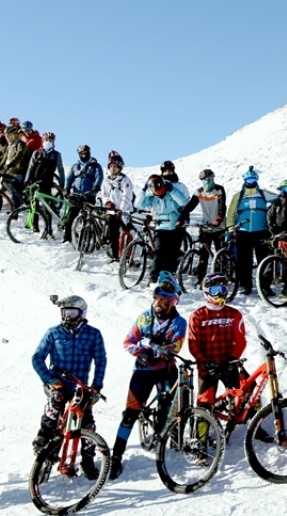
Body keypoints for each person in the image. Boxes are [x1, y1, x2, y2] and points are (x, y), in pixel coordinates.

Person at [110, 279, 188, 479]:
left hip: (166, 370)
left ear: (174, 303)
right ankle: (116, 456)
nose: (160, 305)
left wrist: (152, 346)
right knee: (130, 413)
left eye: (165, 302)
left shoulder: (180, 323)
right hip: (143, 370)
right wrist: (142, 352)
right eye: (158, 300)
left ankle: (167, 442)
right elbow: (128, 342)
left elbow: (175, 348)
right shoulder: (144, 318)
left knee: (168, 407)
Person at [31, 295, 107, 476]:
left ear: (82, 313)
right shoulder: (54, 333)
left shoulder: (93, 334)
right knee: (55, 401)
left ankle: (87, 460)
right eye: (64, 312)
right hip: (57, 384)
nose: (67, 317)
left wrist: (96, 387)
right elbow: (37, 358)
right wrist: (49, 379)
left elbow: (100, 360)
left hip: (81, 387)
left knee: (87, 423)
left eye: (72, 313)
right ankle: (44, 438)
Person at [187, 275, 247, 411]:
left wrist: (233, 358)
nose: (220, 294)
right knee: (205, 402)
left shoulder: (234, 314)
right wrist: (204, 361)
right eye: (215, 290)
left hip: (228, 364)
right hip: (208, 367)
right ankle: (201, 431)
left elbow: (241, 341)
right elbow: (193, 344)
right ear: (207, 291)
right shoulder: (198, 316)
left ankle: (256, 427)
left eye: (223, 289)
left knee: (249, 389)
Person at [225, 167, 274, 296]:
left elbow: (279, 198)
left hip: (262, 232)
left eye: (253, 179)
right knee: (244, 262)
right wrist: (231, 227)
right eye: (248, 179)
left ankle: (265, 287)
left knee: (264, 261)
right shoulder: (239, 196)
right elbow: (230, 213)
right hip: (243, 232)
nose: (251, 182)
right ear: (244, 180)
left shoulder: (263, 194)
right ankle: (246, 286)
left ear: (257, 180)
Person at [181, 169, 229, 279]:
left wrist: (220, 218)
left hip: (219, 226)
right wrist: (181, 215)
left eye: (209, 179)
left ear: (213, 178)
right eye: (204, 180)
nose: (207, 181)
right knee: (203, 253)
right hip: (206, 226)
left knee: (219, 253)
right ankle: (200, 278)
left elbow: (222, 206)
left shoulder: (219, 189)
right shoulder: (199, 192)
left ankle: (220, 276)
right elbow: (190, 206)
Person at [138, 174, 187, 281]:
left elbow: (183, 202)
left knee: (171, 254)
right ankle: (153, 276)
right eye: (155, 189)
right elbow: (138, 204)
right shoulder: (152, 197)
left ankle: (168, 275)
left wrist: (173, 190)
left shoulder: (170, 193)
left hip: (175, 227)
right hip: (161, 227)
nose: (158, 192)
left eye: (159, 188)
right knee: (159, 252)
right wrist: (143, 191)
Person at [62, 145, 103, 244]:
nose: (84, 155)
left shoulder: (95, 166)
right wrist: (66, 189)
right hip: (76, 195)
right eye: (82, 153)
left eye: (86, 153)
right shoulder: (75, 166)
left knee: (90, 217)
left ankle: (97, 234)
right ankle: (67, 238)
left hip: (89, 195)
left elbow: (99, 176)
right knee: (70, 216)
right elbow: (69, 178)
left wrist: (96, 186)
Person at [97, 153, 133, 260]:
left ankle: (127, 255)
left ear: (120, 168)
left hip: (124, 211)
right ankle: (115, 255)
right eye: (111, 166)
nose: (113, 168)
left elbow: (127, 195)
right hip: (112, 211)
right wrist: (108, 202)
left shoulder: (125, 180)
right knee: (113, 233)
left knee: (125, 233)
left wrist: (121, 210)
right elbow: (104, 194)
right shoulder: (106, 181)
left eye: (116, 166)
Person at [23, 132, 64, 197]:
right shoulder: (36, 153)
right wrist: (27, 180)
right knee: (33, 202)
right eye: (46, 139)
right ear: (43, 140)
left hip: (48, 183)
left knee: (46, 202)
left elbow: (61, 169)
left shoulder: (56, 155)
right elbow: (31, 167)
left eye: (50, 140)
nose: (48, 142)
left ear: (53, 142)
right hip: (35, 182)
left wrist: (62, 183)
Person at [0, 124, 33, 189]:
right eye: (6, 135)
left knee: (18, 194)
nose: (7, 137)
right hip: (12, 172)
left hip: (21, 172)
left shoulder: (21, 144)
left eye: (9, 135)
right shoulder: (9, 146)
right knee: (12, 194)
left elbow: (19, 157)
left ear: (14, 135)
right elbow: (4, 159)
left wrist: (9, 165)